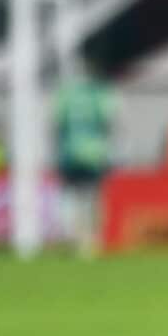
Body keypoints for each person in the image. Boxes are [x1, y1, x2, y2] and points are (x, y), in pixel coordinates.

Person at [52, 51, 115, 258]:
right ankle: (90, 241)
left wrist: (57, 151)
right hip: (93, 153)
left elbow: (56, 125)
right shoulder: (100, 93)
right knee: (93, 196)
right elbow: (109, 123)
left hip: (69, 153)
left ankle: (74, 238)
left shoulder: (65, 94)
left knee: (71, 197)